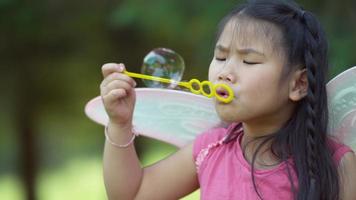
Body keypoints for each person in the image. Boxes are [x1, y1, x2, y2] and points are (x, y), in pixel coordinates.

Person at [99, 0, 356, 199]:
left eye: (249, 61)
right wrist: (120, 124)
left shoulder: (336, 164)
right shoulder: (211, 150)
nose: (225, 73)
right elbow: (133, 194)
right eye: (221, 57)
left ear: (299, 84)